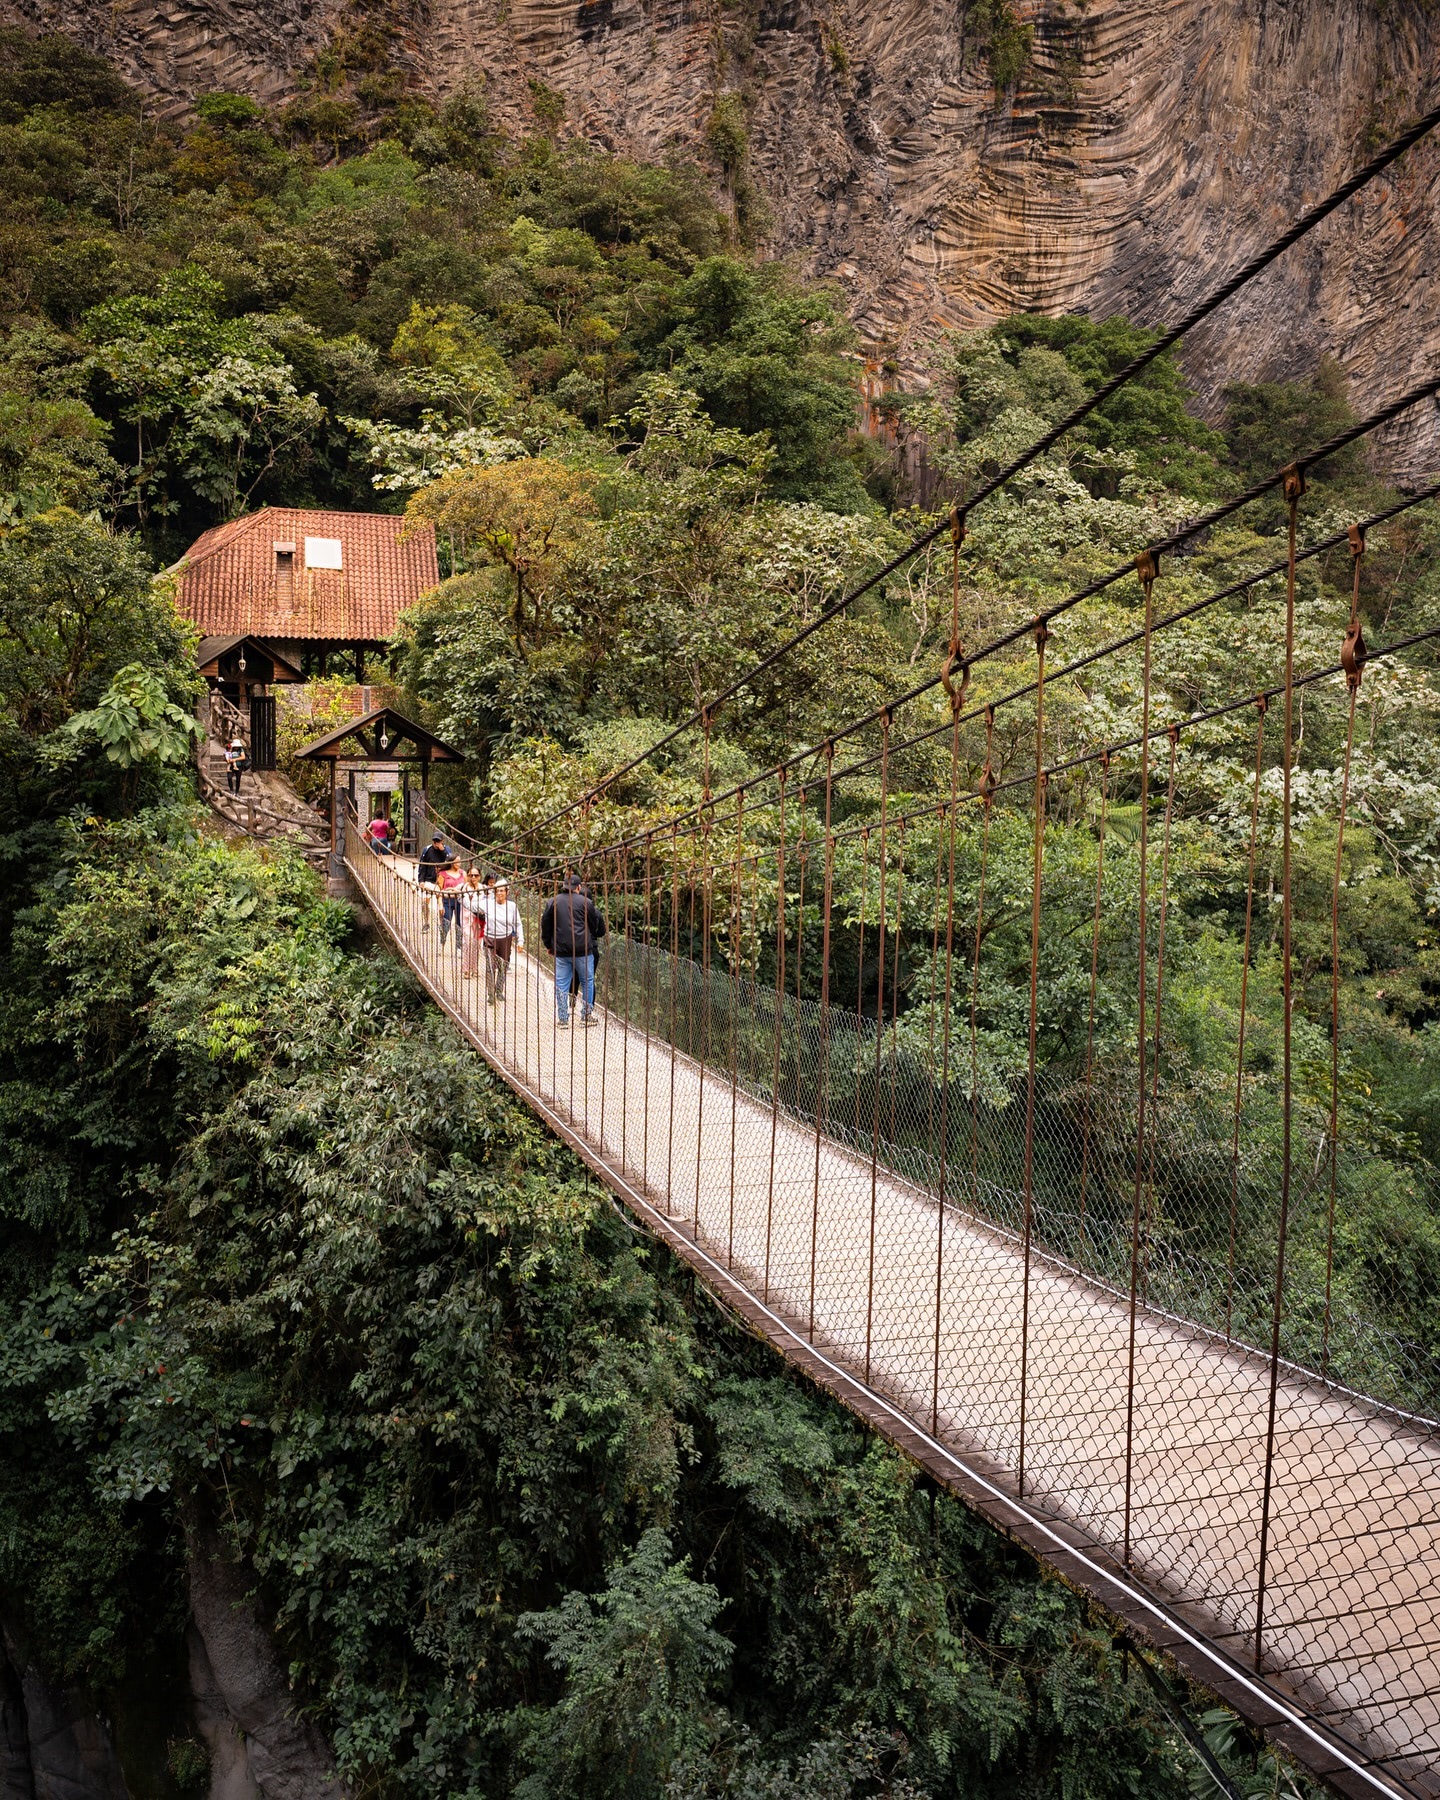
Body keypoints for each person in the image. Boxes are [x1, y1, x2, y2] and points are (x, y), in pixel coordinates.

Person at [540, 873, 606, 1026]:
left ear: (564, 886)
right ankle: (586, 1016)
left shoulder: (553, 902)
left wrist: (548, 945)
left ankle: (563, 1019)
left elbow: (546, 925)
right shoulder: (586, 903)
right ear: (578, 887)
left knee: (561, 984)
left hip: (561, 951)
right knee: (587, 982)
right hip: (583, 951)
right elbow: (593, 926)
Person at [482, 875, 525, 1004]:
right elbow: (471, 905)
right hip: (489, 939)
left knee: (503, 967)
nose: (499, 893)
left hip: (505, 940)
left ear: (507, 892)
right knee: (490, 967)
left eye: (502, 890)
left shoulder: (512, 906)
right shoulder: (487, 904)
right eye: (497, 891)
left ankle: (499, 991)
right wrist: (461, 894)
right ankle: (490, 994)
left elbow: (518, 924)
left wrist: (520, 940)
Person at [416, 832, 452, 932]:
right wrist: (421, 880)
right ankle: (426, 922)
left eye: (438, 841)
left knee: (441, 905)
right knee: (424, 902)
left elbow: (451, 862)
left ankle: (441, 924)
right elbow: (422, 866)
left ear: (442, 841)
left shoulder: (447, 850)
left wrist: (442, 850)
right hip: (429, 880)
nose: (436, 843)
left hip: (441, 881)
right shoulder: (427, 850)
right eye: (434, 841)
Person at [460, 866, 487, 977]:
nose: (473, 877)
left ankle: (474, 969)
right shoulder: (463, 887)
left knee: (477, 945)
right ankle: (466, 969)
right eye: (471, 875)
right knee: (468, 942)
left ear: (480, 877)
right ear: (467, 876)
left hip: (479, 920)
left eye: (476, 875)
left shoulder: (483, 888)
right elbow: (464, 901)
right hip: (466, 919)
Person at [438, 860, 466, 951]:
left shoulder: (463, 873)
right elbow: (439, 890)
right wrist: (440, 904)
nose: (459, 863)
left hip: (460, 901)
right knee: (446, 922)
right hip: (447, 900)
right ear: (451, 862)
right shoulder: (443, 874)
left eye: (460, 861)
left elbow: (466, 888)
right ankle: (442, 942)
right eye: (457, 861)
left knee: (459, 924)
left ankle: (459, 947)